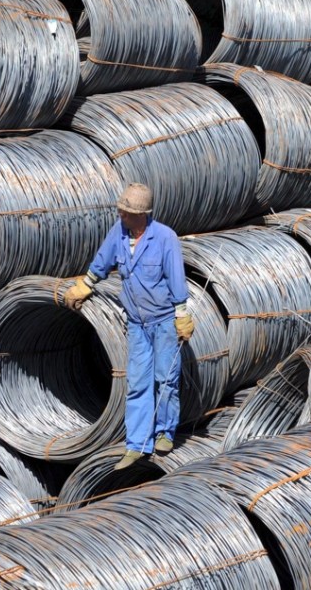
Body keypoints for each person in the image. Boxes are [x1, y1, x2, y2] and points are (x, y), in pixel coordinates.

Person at [63, 183, 195, 470]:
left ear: (143, 215)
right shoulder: (119, 232)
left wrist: (182, 314)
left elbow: (175, 276)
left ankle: (164, 432)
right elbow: (102, 261)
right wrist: (85, 285)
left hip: (163, 323)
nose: (121, 216)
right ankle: (136, 444)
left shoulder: (164, 238)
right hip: (136, 323)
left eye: (126, 213)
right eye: (121, 211)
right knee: (137, 384)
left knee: (165, 379)